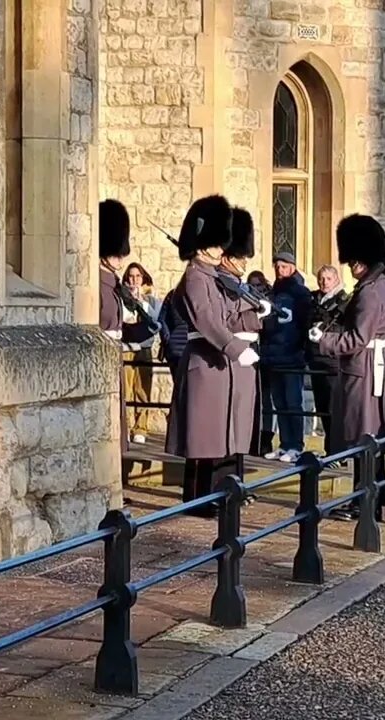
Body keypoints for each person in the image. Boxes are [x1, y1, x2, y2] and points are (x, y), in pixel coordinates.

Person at [163, 195, 262, 517]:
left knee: (219, 435)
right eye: (218, 245)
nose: (223, 251)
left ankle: (218, 494)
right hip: (205, 363)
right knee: (204, 438)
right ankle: (199, 500)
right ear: (204, 246)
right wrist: (236, 348)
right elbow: (206, 320)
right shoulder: (194, 277)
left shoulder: (211, 277)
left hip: (218, 363)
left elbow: (227, 312)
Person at [309, 214, 385, 520]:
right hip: (375, 367)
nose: (352, 268)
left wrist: (324, 339)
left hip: (363, 371)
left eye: (355, 262)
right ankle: (374, 499)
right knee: (371, 438)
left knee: (364, 438)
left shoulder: (370, 293)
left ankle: (365, 502)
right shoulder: (379, 288)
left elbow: (357, 339)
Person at [217, 207, 271, 490]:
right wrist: (253, 314)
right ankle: (227, 486)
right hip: (233, 357)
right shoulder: (220, 282)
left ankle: (236, 483)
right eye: (239, 257)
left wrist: (258, 313)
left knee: (240, 426)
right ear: (227, 256)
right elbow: (225, 320)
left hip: (246, 356)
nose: (243, 262)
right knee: (229, 427)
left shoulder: (236, 284)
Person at [261, 252, 313, 462]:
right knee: (279, 403)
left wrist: (301, 349)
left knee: (293, 402)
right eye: (276, 267)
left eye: (283, 266)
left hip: (292, 355)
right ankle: (284, 444)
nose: (279, 270)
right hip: (273, 356)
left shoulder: (300, 293)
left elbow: (305, 323)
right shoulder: (273, 293)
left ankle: (296, 445)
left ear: (292, 267)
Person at [99, 199, 136, 455]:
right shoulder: (98, 283)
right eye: (115, 252)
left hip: (114, 355)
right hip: (102, 359)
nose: (120, 257)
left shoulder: (113, 283)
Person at [121, 263, 161, 444]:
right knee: (126, 389)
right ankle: (127, 425)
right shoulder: (121, 298)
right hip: (127, 347)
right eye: (130, 276)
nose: (134, 279)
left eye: (137, 276)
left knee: (143, 390)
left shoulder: (151, 300)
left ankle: (141, 427)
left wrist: (140, 302)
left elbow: (155, 321)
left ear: (143, 278)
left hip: (144, 348)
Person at [307, 265, 348, 444]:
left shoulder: (344, 302)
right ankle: (329, 449)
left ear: (336, 280)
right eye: (321, 279)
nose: (324, 282)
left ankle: (337, 450)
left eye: (328, 279)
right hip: (316, 359)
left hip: (333, 360)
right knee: (322, 407)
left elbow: (345, 330)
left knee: (334, 407)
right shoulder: (314, 300)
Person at [246, 270, 277, 456]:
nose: (256, 289)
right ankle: (252, 438)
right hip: (250, 352)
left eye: (259, 285)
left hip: (267, 353)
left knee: (267, 400)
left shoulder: (270, 300)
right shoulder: (244, 299)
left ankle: (266, 439)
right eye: (252, 285)